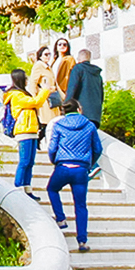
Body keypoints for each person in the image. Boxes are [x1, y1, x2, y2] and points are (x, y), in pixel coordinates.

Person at [46, 101, 103, 252]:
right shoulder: (89, 125)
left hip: (63, 167)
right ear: (79, 109)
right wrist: (89, 164)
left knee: (52, 189)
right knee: (80, 205)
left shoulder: (59, 125)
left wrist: (55, 161)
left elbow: (52, 147)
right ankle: (82, 242)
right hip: (81, 169)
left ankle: (61, 218)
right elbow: (98, 148)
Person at [5, 69, 56, 199]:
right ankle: (18, 187)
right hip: (24, 131)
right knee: (24, 161)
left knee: (30, 161)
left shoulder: (23, 94)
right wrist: (45, 90)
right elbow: (36, 102)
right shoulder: (16, 95)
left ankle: (27, 188)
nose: (27, 80)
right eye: (25, 78)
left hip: (32, 130)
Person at [29, 45, 63, 138]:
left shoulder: (48, 67)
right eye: (46, 54)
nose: (48, 56)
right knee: (46, 122)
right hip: (44, 99)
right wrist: (34, 99)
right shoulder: (39, 66)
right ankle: (39, 141)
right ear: (40, 56)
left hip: (52, 97)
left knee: (53, 122)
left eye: (49, 54)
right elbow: (33, 83)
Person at [65, 49, 104, 123]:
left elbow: (72, 88)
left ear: (79, 58)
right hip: (95, 115)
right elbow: (101, 96)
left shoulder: (78, 69)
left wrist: (66, 106)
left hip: (81, 114)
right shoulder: (98, 75)